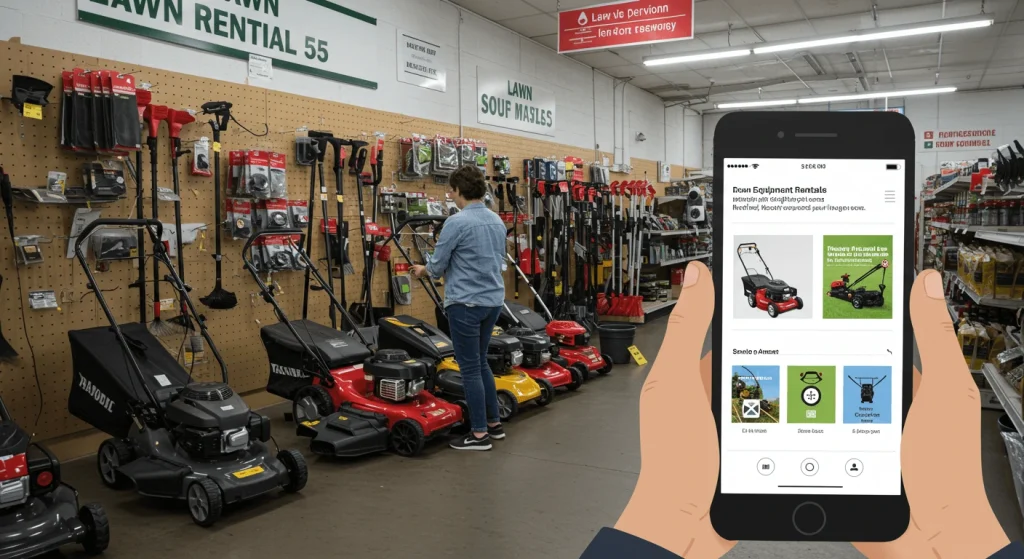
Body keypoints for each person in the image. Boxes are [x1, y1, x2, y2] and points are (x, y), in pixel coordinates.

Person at [579, 263, 1023, 559]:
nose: (777, 295)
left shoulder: (794, 295)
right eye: (771, 296)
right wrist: (963, 537)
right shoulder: (761, 292)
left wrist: (659, 529)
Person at [411, 165, 507, 452]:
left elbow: (437, 266)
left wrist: (421, 269)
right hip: (492, 301)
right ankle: (493, 423)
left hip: (465, 303)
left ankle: (478, 435)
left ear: (460, 191)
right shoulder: (496, 220)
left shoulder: (456, 222)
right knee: (480, 362)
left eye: (451, 190)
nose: (450, 194)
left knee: (469, 369)